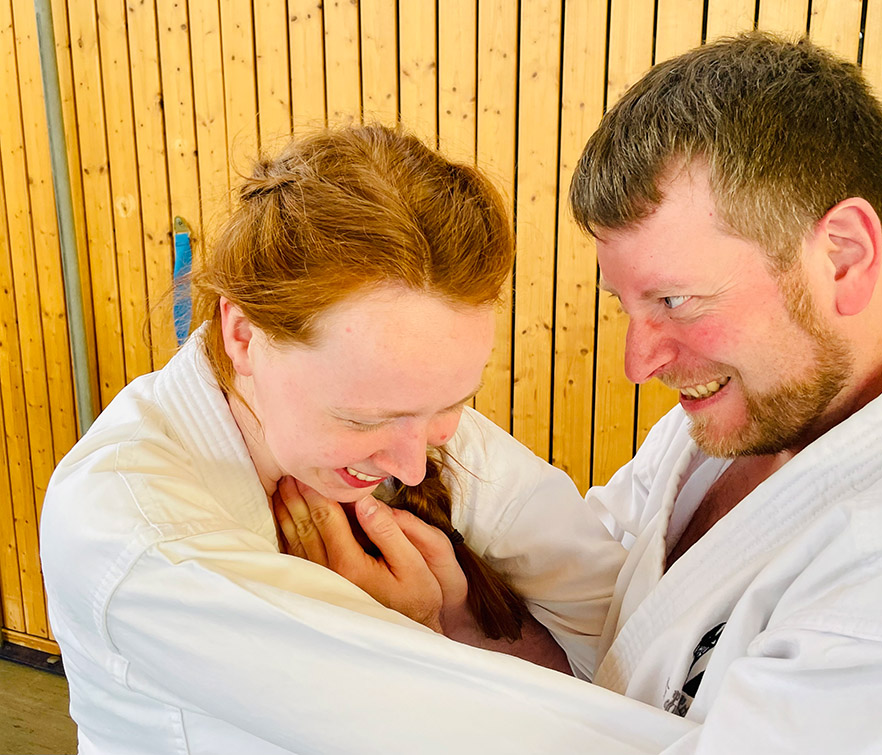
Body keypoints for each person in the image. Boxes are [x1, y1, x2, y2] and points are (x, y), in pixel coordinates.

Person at [41, 125, 687, 755]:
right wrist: (413, 629)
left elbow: (637, 642)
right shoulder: (135, 532)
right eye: (362, 420)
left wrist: (460, 619)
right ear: (241, 336)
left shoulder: (413, 417)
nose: (410, 464)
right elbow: (454, 727)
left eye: (452, 404)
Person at [562, 31, 882, 752]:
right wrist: (472, 619)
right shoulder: (738, 410)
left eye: (675, 300)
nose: (639, 362)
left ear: (843, 255)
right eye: (627, 306)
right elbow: (606, 614)